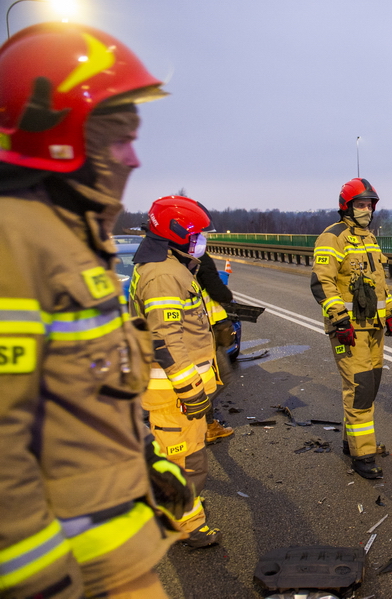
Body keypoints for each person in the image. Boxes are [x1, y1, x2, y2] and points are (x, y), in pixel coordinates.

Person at [0, 23, 190, 598]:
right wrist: (36, 580)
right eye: (117, 138)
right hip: (75, 575)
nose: (133, 158)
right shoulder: (15, 241)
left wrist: (146, 460)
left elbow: (82, 393)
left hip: (117, 555)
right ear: (59, 138)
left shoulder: (72, 239)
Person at [129, 195, 223, 548]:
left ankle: (187, 509)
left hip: (178, 391)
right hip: (172, 393)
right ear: (177, 232)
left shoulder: (170, 266)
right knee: (180, 461)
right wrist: (190, 390)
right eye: (197, 234)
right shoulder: (163, 275)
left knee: (190, 456)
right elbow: (165, 340)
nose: (202, 241)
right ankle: (186, 525)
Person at [310, 178, 392, 479]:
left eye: (370, 205)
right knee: (360, 390)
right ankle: (363, 456)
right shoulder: (332, 237)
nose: (367, 210)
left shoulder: (368, 238)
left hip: (373, 328)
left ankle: (353, 442)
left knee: (369, 387)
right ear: (346, 206)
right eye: (360, 204)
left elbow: (378, 281)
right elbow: (322, 283)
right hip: (348, 331)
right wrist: (339, 320)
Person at [196, 251, 236, 443]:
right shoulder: (199, 259)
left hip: (193, 330)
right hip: (208, 329)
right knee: (220, 378)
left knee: (204, 379)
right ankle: (196, 418)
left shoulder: (164, 258)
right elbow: (220, 292)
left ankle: (209, 425)